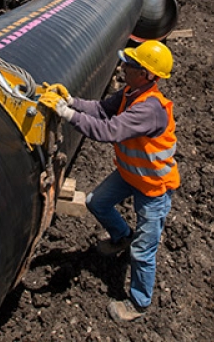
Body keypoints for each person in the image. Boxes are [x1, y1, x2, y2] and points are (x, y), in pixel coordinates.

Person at [39, 40, 178, 323]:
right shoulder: (130, 92)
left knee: (143, 251)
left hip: (153, 188)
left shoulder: (149, 108)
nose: (124, 66)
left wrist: (67, 115)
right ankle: (121, 236)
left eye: (131, 64)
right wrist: (71, 103)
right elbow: (102, 109)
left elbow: (108, 130)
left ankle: (139, 303)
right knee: (95, 203)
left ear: (148, 74)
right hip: (130, 175)